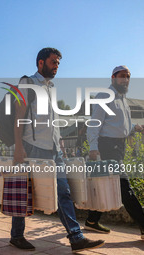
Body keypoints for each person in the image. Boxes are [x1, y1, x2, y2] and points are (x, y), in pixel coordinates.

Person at [12, 48, 105, 252]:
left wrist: (60, 142)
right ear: (40, 63)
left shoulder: (51, 87)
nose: (56, 66)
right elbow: (19, 116)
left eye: (58, 63)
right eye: (53, 62)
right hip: (33, 147)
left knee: (64, 191)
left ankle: (76, 237)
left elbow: (52, 120)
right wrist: (19, 146)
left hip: (54, 150)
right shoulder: (28, 83)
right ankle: (17, 236)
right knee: (24, 191)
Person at [85, 65, 144, 240]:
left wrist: (135, 128)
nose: (126, 79)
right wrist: (94, 148)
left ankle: (92, 221)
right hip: (107, 147)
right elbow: (94, 123)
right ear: (113, 78)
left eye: (128, 76)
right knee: (124, 187)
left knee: (102, 185)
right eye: (122, 76)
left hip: (119, 147)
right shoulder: (105, 96)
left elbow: (120, 126)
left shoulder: (123, 100)